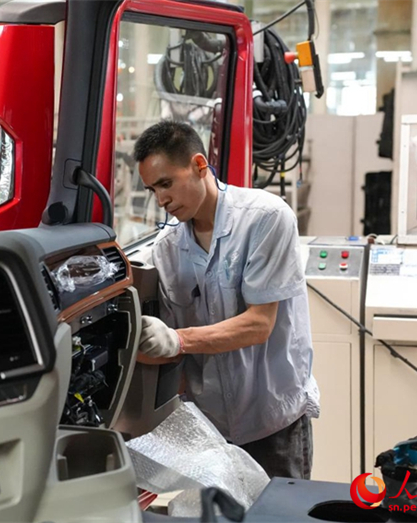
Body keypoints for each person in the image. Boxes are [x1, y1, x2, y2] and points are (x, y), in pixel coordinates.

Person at [134, 120, 319, 480]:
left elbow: (259, 324)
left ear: (199, 166)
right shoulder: (168, 249)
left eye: (166, 183)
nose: (161, 200)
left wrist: (178, 339)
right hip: (210, 429)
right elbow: (179, 360)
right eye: (152, 190)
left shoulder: (265, 219)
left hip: (272, 423)